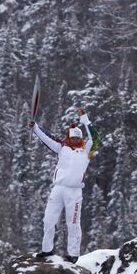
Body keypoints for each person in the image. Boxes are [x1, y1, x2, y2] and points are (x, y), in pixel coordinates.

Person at [28, 108, 93, 262]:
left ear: (82, 139)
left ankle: (73, 255)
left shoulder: (87, 150)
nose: (76, 141)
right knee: (49, 220)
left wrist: (85, 119)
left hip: (75, 192)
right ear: (68, 138)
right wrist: (35, 127)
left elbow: (96, 138)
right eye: (73, 138)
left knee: (73, 223)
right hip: (58, 189)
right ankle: (47, 250)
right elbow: (48, 137)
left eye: (78, 138)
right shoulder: (62, 147)